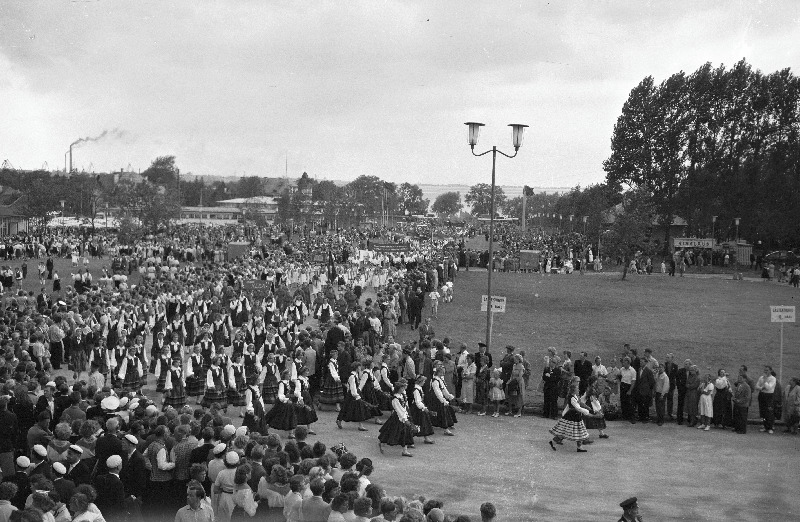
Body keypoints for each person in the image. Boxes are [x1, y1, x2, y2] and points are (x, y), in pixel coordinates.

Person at [549, 381, 591, 453]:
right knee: (568, 431)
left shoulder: (575, 397)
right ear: (573, 390)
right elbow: (577, 408)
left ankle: (579, 447)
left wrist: (587, 407)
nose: (578, 390)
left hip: (575, 416)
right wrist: (587, 412)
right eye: (577, 389)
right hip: (572, 416)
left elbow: (579, 404)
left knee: (578, 431)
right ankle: (554, 442)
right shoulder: (572, 398)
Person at [378, 379, 416, 457]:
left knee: (405, 433)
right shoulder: (395, 398)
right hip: (398, 417)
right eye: (403, 387)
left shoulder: (402, 396)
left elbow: (404, 407)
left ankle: (405, 450)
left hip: (403, 416)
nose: (404, 389)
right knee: (392, 431)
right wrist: (404, 419)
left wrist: (406, 415)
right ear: (399, 388)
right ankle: (382, 442)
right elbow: (399, 410)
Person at [336, 362, 375, 432]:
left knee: (356, 409)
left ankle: (360, 425)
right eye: (359, 367)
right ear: (357, 368)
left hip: (353, 394)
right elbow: (352, 387)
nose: (360, 368)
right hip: (352, 394)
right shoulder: (352, 376)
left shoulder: (355, 375)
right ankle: (339, 420)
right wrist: (357, 396)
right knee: (346, 408)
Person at [264, 369, 300, 439]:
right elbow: (280, 394)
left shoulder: (290, 383)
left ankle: (291, 433)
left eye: (290, 374)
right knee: (277, 416)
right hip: (282, 402)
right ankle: (265, 428)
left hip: (289, 403)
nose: (289, 375)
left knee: (291, 416)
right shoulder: (281, 383)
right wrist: (286, 400)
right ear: (284, 375)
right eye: (288, 374)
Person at [428, 366, 457, 436]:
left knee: (444, 412)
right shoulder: (435, 381)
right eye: (442, 371)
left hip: (439, 398)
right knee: (442, 413)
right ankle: (445, 429)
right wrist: (443, 400)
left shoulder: (440, 379)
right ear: (438, 372)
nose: (444, 373)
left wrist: (449, 396)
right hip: (435, 399)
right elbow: (437, 392)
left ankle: (448, 425)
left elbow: (444, 389)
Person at [408, 375, 435, 445]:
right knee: (415, 423)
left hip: (420, 407)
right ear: (420, 381)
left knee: (423, 423)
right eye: (423, 381)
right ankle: (409, 440)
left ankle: (426, 438)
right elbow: (417, 401)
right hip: (417, 409)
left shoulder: (419, 388)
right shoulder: (416, 390)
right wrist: (423, 408)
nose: (424, 382)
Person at [755, 366, 777, 434]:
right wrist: (761, 388)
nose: (765, 372)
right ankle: (765, 426)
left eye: (767, 370)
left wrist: (765, 381)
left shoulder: (773, 378)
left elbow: (768, 387)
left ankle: (770, 427)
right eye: (765, 370)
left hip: (769, 396)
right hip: (762, 395)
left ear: (770, 371)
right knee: (763, 411)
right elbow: (757, 386)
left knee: (769, 412)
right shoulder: (761, 377)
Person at [618, 357, 637, 423]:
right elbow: (619, 376)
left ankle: (632, 417)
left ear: (628, 362)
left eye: (624, 362)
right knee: (623, 401)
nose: (623, 363)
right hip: (623, 385)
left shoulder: (632, 370)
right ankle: (625, 415)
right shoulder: (622, 369)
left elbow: (633, 381)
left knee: (630, 403)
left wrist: (630, 390)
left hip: (629, 386)